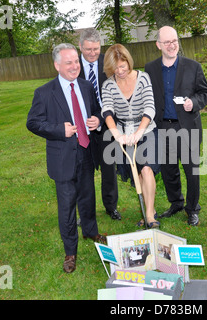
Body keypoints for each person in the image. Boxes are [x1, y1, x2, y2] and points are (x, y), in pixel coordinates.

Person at [26, 43, 107, 273]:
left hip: (86, 151)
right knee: (67, 206)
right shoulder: (44, 92)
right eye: (69, 62)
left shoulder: (86, 85)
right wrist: (59, 130)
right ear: (57, 65)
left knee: (88, 196)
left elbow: (97, 109)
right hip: (62, 158)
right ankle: (70, 251)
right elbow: (32, 122)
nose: (75, 66)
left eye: (76, 61)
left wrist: (97, 120)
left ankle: (91, 231)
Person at [145, 26, 207, 226]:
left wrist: (194, 103)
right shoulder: (150, 69)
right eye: (167, 42)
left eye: (175, 41)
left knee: (192, 170)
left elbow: (205, 93)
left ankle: (192, 209)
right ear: (158, 45)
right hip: (162, 127)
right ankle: (176, 203)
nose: (172, 45)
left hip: (187, 127)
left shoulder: (193, 67)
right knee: (168, 170)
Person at [101, 44, 160, 228]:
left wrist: (140, 131)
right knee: (138, 174)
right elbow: (107, 111)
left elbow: (150, 106)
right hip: (124, 133)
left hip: (146, 129)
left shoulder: (143, 78)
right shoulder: (108, 85)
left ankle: (149, 215)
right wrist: (117, 134)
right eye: (115, 68)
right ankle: (148, 209)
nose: (119, 71)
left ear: (128, 62)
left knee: (147, 169)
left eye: (122, 66)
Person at [78, 28, 121, 221]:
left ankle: (111, 207)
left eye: (96, 49)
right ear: (80, 47)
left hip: (106, 123)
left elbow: (118, 94)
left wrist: (102, 118)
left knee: (108, 169)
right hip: (81, 127)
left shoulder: (108, 63)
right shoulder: (73, 66)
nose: (93, 53)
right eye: (88, 49)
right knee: (83, 171)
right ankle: (85, 212)